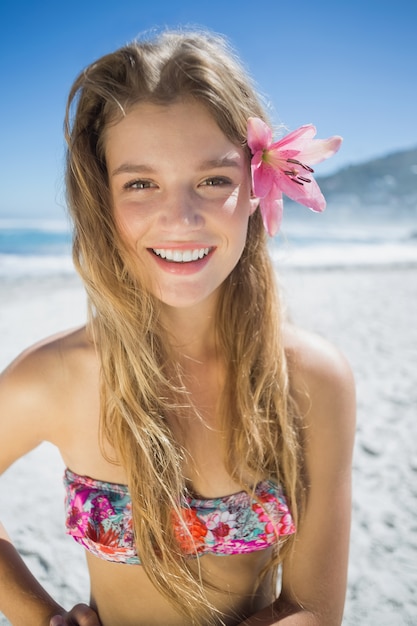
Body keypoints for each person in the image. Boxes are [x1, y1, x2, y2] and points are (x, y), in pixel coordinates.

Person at [0, 29, 356, 626]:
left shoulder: (313, 380)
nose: (180, 218)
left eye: (214, 179)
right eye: (141, 183)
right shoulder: (55, 377)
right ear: (101, 199)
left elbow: (315, 611)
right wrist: (40, 616)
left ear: (256, 185)